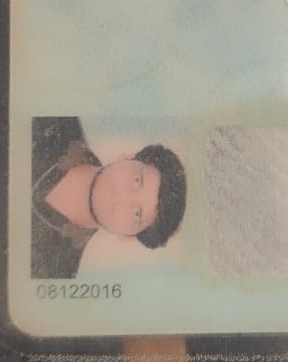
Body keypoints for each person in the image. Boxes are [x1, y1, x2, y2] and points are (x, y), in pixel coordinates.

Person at [31, 116, 186, 278]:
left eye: (137, 213)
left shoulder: (56, 273)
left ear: (128, 237)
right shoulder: (57, 122)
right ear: (127, 157)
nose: (123, 198)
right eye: (137, 180)